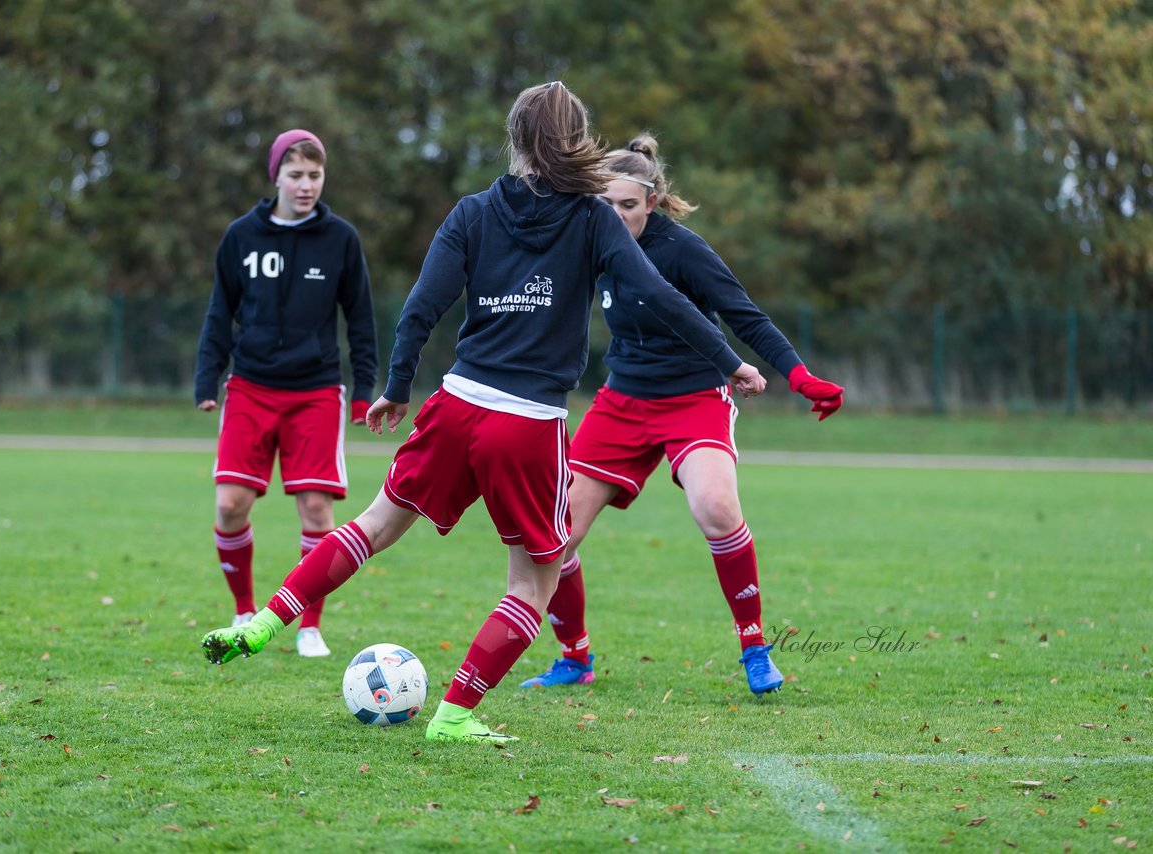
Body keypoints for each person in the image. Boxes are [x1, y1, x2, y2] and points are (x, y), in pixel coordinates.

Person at [200, 82, 765, 745]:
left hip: (456, 403)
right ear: (575, 139)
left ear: (515, 140)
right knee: (534, 579)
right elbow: (662, 297)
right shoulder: (592, 220)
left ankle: (269, 618)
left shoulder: (473, 211)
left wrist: (397, 386)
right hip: (526, 424)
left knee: (374, 524)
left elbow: (422, 304)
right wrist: (729, 362)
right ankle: (457, 712)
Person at [519, 134, 844, 697]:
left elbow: (746, 317)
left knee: (716, 507)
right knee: (556, 534)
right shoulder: (590, 243)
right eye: (607, 204)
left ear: (652, 201)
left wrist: (799, 375)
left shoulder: (684, 250)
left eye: (628, 204)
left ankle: (754, 647)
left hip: (694, 399)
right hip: (621, 402)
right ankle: (574, 658)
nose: (617, 215)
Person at [194, 128, 378, 658]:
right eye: (295, 175)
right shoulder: (240, 237)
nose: (306, 185)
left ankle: (307, 625)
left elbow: (360, 320)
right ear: (275, 175)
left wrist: (363, 390)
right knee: (230, 504)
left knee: (317, 510)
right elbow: (218, 314)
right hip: (250, 387)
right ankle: (243, 608)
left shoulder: (341, 239)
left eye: (315, 175)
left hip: (316, 391)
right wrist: (208, 378)